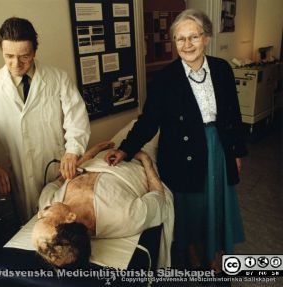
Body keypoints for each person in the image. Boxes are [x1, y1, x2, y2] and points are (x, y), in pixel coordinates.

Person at [104, 9, 247, 272]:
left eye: (193, 37)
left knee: (216, 201)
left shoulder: (222, 69)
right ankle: (191, 249)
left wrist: (237, 152)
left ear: (206, 38)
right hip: (182, 151)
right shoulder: (165, 78)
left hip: (218, 145)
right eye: (180, 39)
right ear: (175, 42)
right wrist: (125, 150)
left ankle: (215, 251)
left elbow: (233, 114)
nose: (187, 45)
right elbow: (148, 121)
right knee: (189, 206)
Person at [0, 17, 90, 222]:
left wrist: (73, 151)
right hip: (19, 174)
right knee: (29, 228)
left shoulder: (57, 78)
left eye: (24, 56)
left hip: (57, 168)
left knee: (60, 224)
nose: (16, 64)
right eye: (9, 56)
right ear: (1, 50)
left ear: (34, 51)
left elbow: (77, 118)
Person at [32, 140, 174, 267]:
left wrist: (91, 153)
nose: (40, 212)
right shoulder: (124, 216)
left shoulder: (48, 201)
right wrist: (145, 159)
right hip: (135, 159)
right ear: (70, 218)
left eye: (39, 217)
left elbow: (59, 180)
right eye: (45, 217)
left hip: (102, 153)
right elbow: (158, 197)